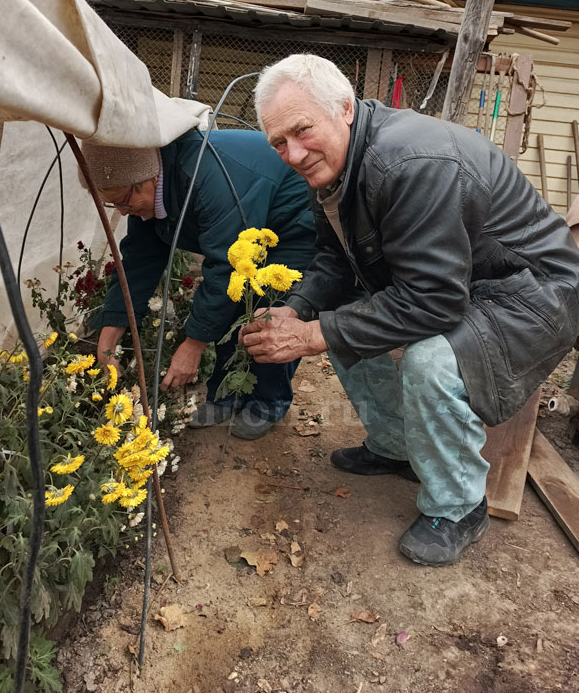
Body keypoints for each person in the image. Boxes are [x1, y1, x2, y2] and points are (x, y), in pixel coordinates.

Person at [240, 53, 579, 566]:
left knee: (430, 359)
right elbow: (335, 256)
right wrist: (300, 309)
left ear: (346, 109)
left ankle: (460, 504)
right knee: (334, 316)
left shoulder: (408, 161)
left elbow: (435, 303)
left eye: (301, 130)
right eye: (278, 143)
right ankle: (397, 446)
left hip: (534, 294)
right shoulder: (332, 168)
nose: (293, 152)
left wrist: (313, 336)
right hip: (465, 283)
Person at [82, 127, 317, 440]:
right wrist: (110, 334)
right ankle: (225, 396)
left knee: (269, 312)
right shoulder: (150, 185)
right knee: (231, 309)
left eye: (124, 201)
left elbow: (225, 267)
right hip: (245, 231)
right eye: (114, 205)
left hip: (292, 227)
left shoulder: (207, 179)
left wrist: (194, 345)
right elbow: (138, 261)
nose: (124, 212)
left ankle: (267, 401)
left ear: (149, 178)